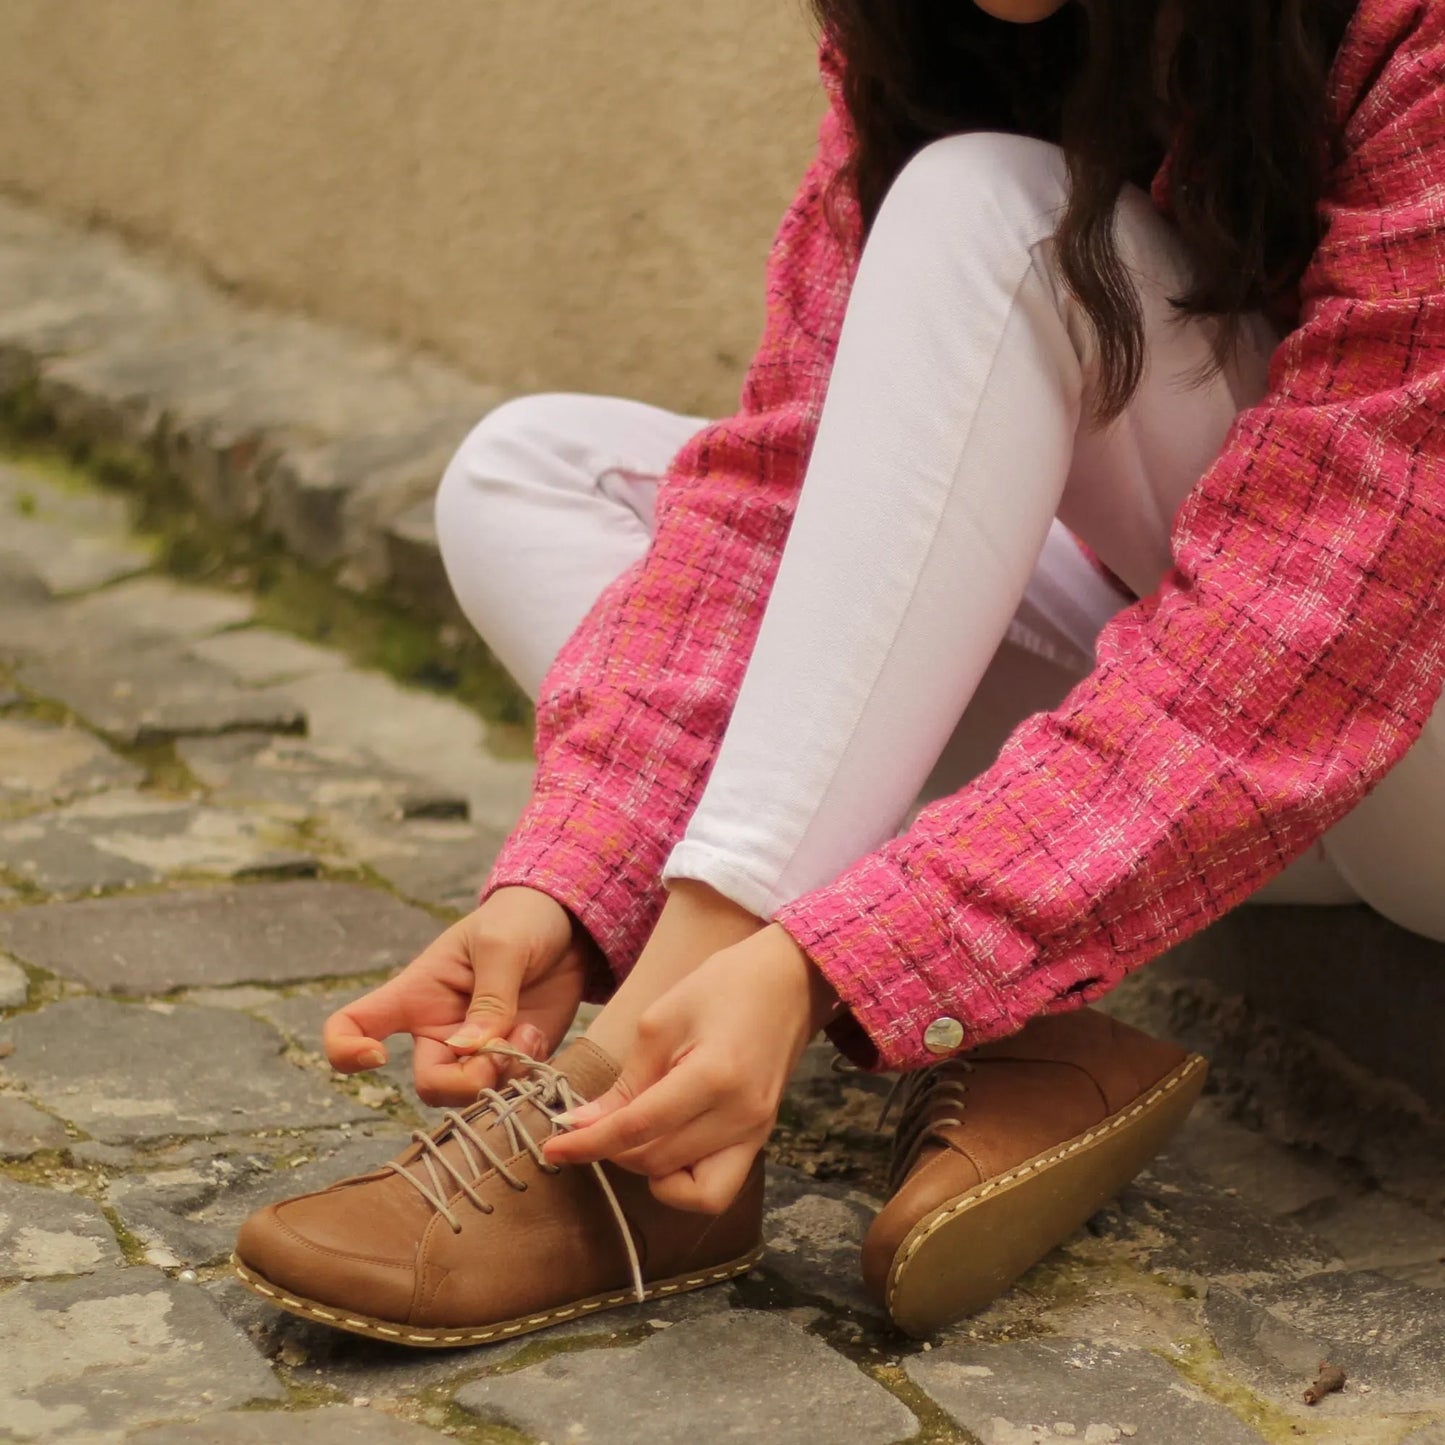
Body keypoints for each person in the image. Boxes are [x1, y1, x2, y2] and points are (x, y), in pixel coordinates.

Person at [233, 0, 1445, 1347]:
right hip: (1204, 708)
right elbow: (782, 488)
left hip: (1410, 762)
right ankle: (1018, 1027)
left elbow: (1311, 622)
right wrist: (573, 883)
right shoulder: (936, 28)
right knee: (529, 473)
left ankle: (637, 1092)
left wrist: (826, 956)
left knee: (995, 213)